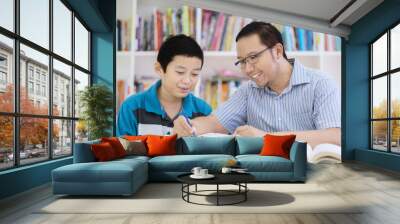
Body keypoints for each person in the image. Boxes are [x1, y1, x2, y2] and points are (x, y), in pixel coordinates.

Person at [173, 22, 341, 147]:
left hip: (312, 177)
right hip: (263, 177)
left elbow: (334, 137)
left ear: (277, 51)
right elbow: (215, 123)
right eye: (242, 61)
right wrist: (190, 126)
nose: (247, 69)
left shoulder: (320, 84)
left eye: (253, 57)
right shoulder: (248, 91)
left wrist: (266, 138)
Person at [117, 34, 212, 136]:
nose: (187, 81)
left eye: (194, 74)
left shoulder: (204, 111)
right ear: (159, 69)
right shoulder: (131, 108)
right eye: (180, 72)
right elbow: (123, 150)